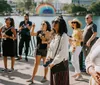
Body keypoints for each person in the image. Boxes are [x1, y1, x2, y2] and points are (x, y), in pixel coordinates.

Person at [45, 16, 69, 85]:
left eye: (56, 22)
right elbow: (50, 49)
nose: (53, 23)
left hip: (59, 64)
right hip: (54, 63)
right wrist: (48, 58)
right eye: (53, 21)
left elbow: (63, 52)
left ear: (61, 24)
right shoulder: (55, 35)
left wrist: (53, 63)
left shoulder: (64, 36)